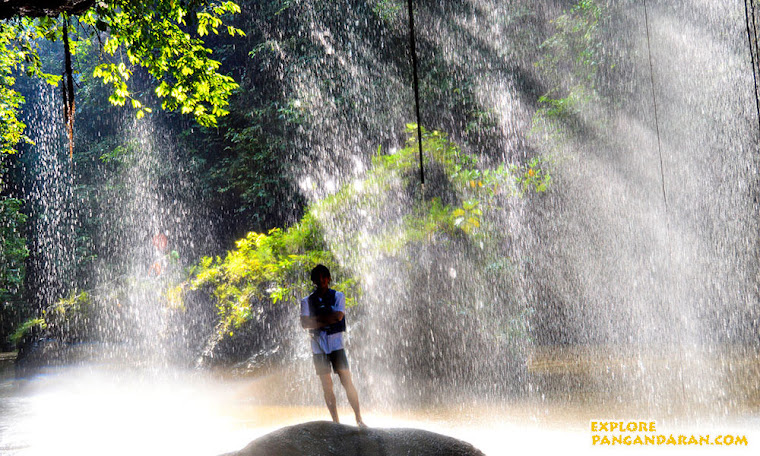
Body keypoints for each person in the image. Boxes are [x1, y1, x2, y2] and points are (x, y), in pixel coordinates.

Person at [300, 264, 365, 427]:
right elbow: (304, 323)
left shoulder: (338, 296)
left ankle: (359, 418)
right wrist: (326, 319)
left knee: (346, 381)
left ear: (328, 278)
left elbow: (338, 317)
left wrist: (316, 321)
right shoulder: (306, 301)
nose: (321, 280)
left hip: (336, 346)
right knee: (326, 385)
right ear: (313, 281)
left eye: (324, 277)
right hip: (318, 348)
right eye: (318, 278)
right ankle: (336, 422)